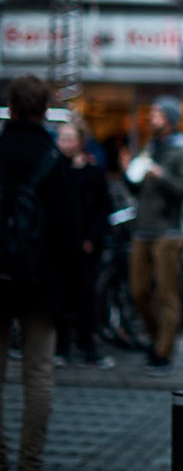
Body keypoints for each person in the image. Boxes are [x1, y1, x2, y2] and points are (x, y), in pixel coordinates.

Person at [0, 76, 74, 471]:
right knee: (39, 373)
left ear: (10, 107)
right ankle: (31, 464)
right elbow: (67, 232)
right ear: (45, 109)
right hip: (41, 284)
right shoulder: (53, 161)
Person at [123, 95, 183, 375]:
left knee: (167, 294)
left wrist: (161, 175)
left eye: (157, 113)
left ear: (170, 119)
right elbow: (139, 190)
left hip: (167, 231)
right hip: (143, 228)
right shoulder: (151, 146)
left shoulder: (181, 150)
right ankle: (155, 340)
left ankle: (163, 352)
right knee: (138, 291)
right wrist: (132, 174)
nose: (152, 117)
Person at [54, 120, 114, 369]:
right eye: (62, 138)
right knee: (61, 295)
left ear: (80, 141)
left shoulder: (92, 170)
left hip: (87, 244)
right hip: (60, 243)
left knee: (86, 295)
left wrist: (92, 238)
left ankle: (86, 345)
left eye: (69, 138)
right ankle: (62, 346)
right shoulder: (55, 168)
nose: (64, 143)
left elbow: (102, 207)